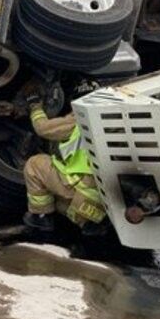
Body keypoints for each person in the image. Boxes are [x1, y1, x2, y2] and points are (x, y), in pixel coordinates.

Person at [21, 88, 105, 234]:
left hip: (82, 189)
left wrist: (35, 105)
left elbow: (42, 128)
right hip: (102, 197)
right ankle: (88, 221)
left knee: (35, 164)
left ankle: (41, 216)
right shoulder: (111, 120)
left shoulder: (79, 119)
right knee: (59, 205)